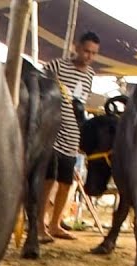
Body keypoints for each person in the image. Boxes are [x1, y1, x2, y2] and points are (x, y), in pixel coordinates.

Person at [41, 31, 99, 242]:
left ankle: (55, 224)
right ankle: (39, 224)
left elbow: (81, 102)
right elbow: (40, 83)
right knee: (48, 179)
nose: (89, 56)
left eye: (93, 53)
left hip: (73, 136)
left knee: (66, 182)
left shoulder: (90, 75)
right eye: (86, 51)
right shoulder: (57, 66)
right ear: (76, 47)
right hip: (52, 133)